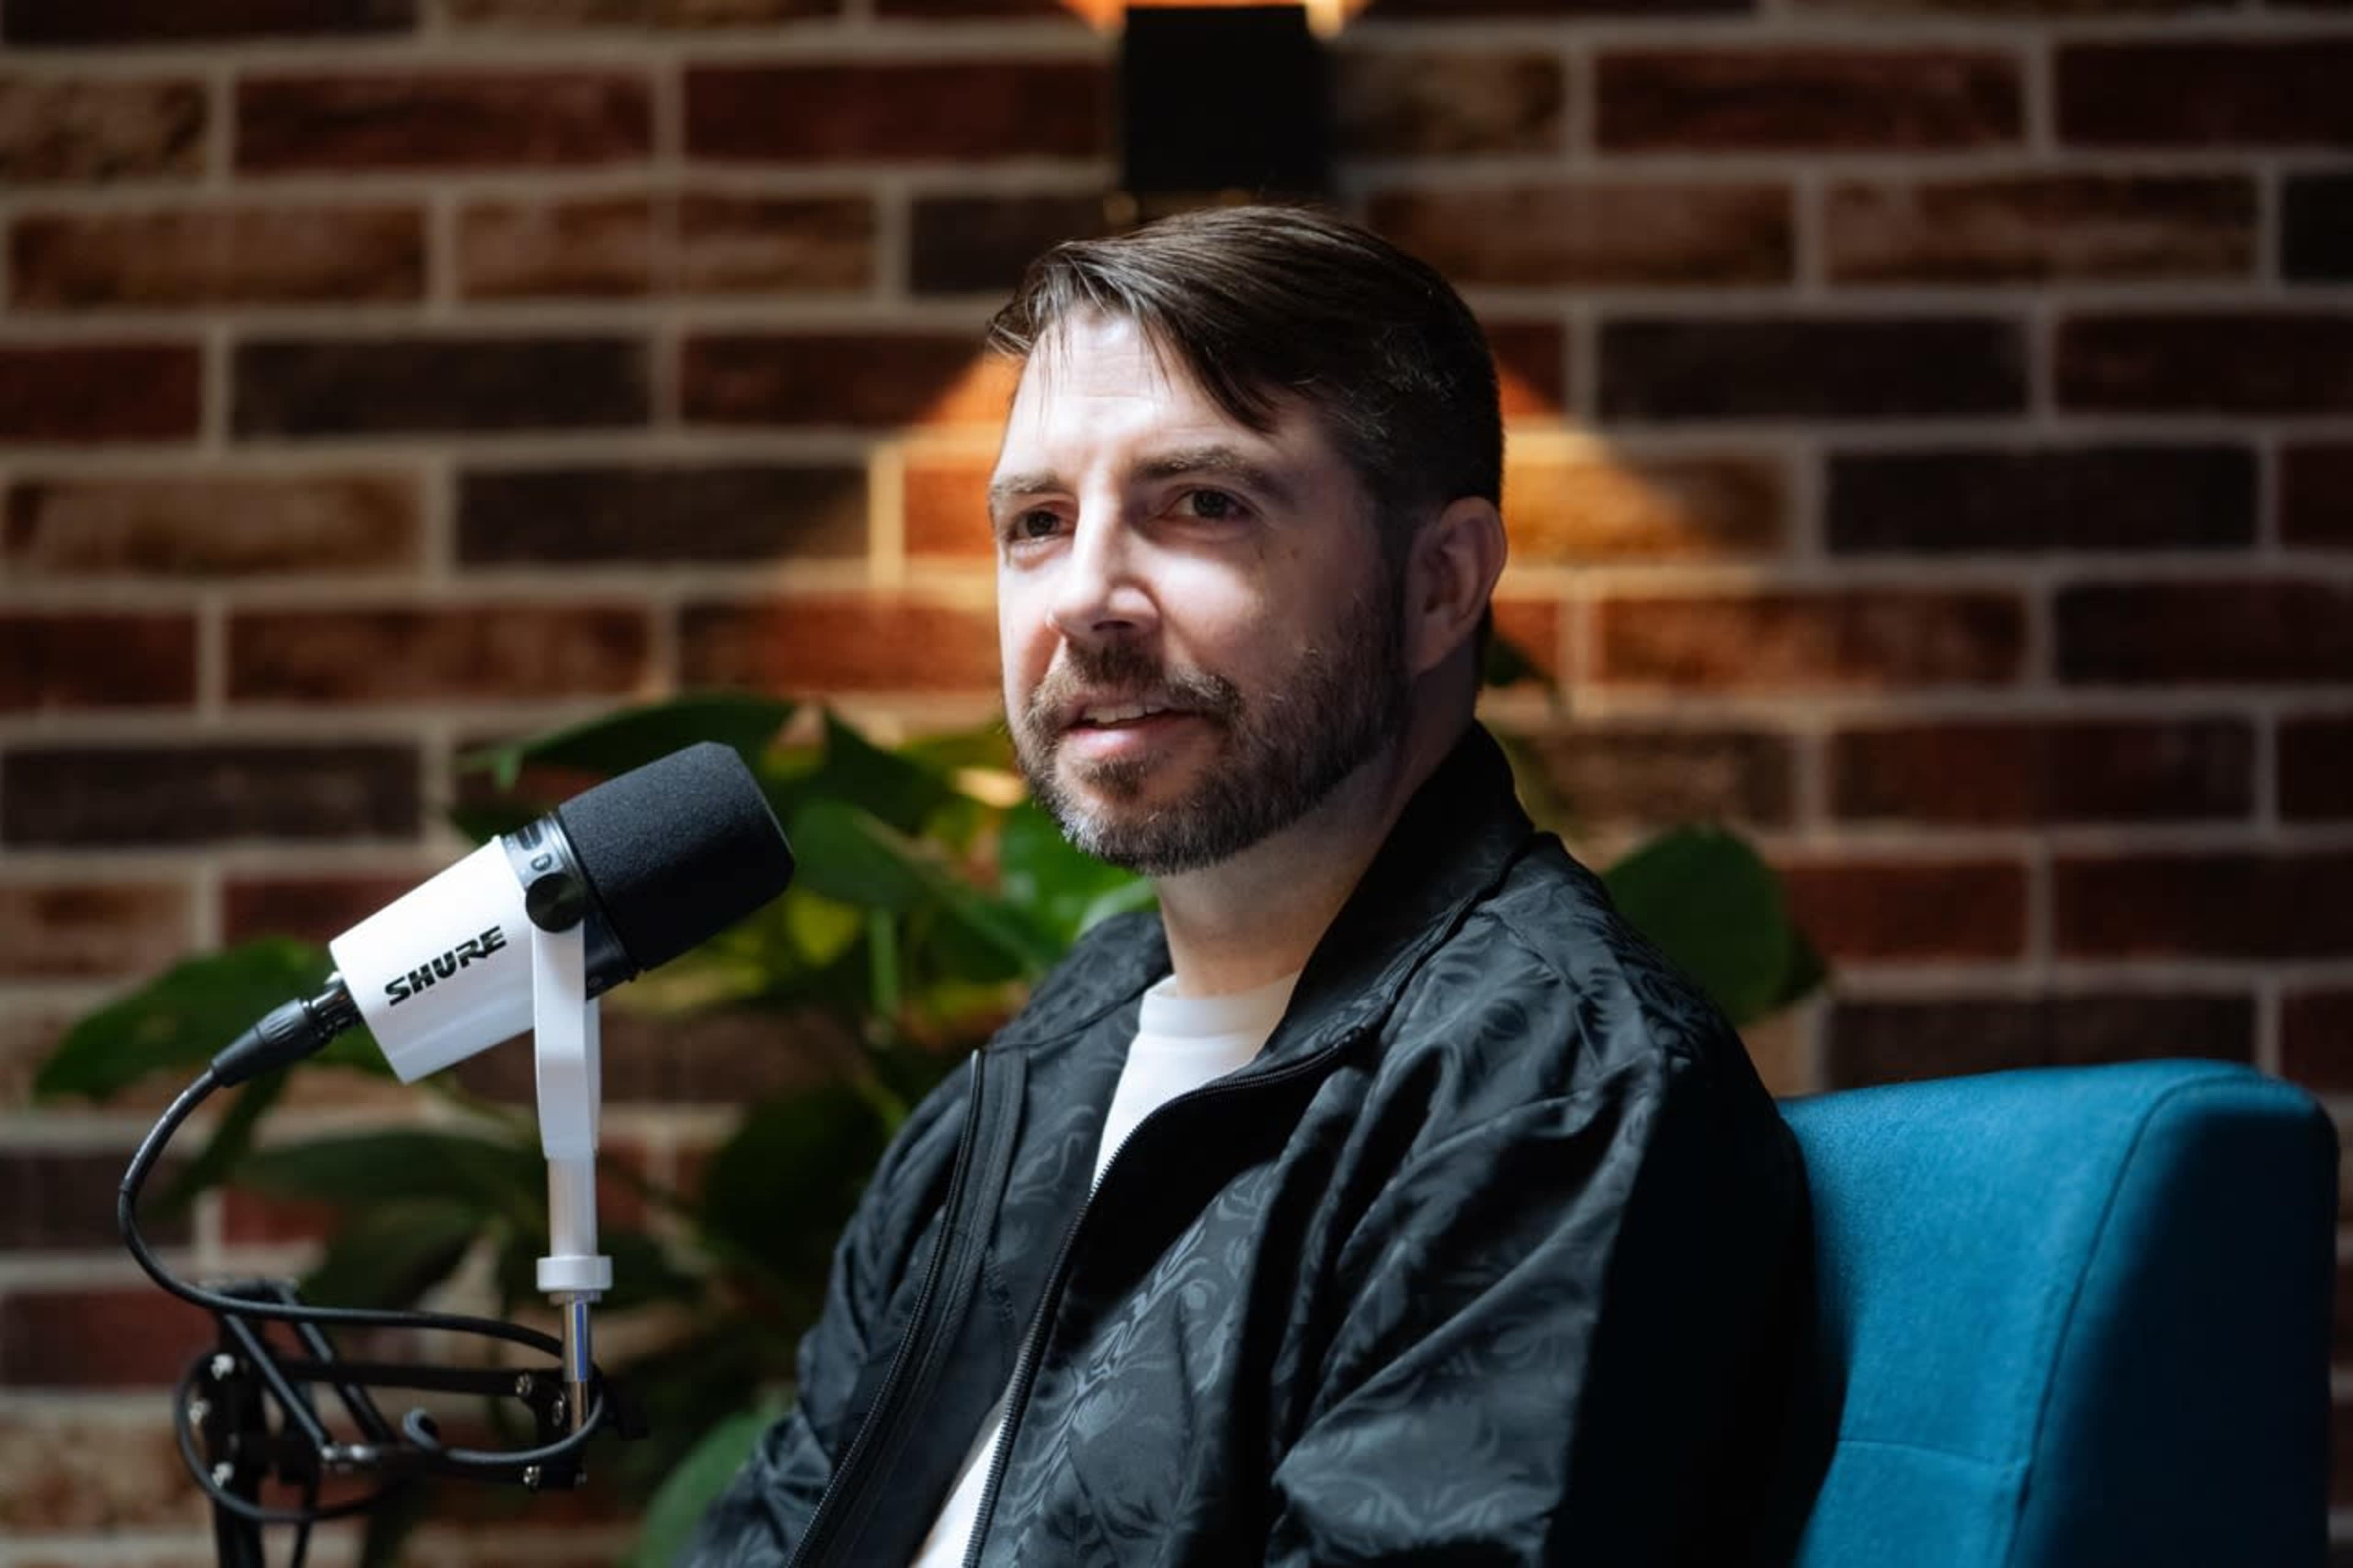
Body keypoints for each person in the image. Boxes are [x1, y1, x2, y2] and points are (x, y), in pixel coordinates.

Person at [686, 205, 1811, 1567]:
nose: (1087, 595)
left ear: (1442, 583)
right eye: (1037, 521)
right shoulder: (1030, 1080)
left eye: (1201, 503)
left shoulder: (1542, 1088)